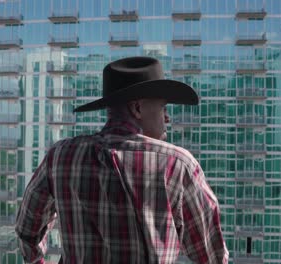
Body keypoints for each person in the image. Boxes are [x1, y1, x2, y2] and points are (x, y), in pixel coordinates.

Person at [15, 57, 229, 263]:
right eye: (163, 108)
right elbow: (211, 256)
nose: (167, 118)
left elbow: (27, 231)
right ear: (137, 108)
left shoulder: (60, 157)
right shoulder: (176, 165)